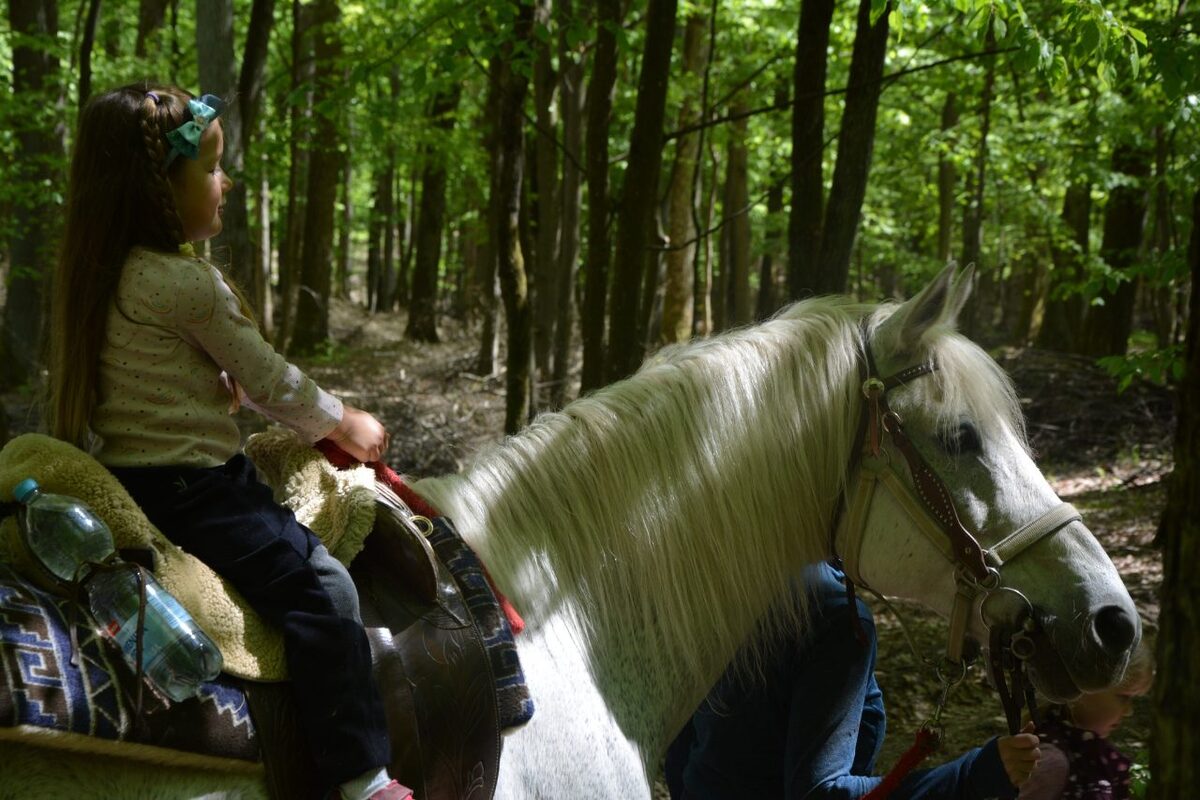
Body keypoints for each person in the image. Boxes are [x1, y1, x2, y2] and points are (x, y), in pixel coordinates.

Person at [46, 83, 410, 800]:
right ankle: (363, 777)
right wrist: (345, 425)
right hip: (199, 489)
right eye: (210, 167)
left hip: (133, 477)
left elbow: (158, 375)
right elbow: (274, 382)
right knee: (325, 587)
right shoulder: (185, 283)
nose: (226, 181)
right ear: (160, 188)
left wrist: (208, 386)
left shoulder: (103, 271)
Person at [665, 561, 1041, 799]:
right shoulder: (832, 614)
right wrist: (974, 774)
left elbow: (679, 737)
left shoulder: (726, 577)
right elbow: (820, 794)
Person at [1017, 632, 1154, 800]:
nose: (1129, 711)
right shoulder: (1051, 761)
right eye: (1123, 697)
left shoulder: (1089, 751)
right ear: (1083, 686)